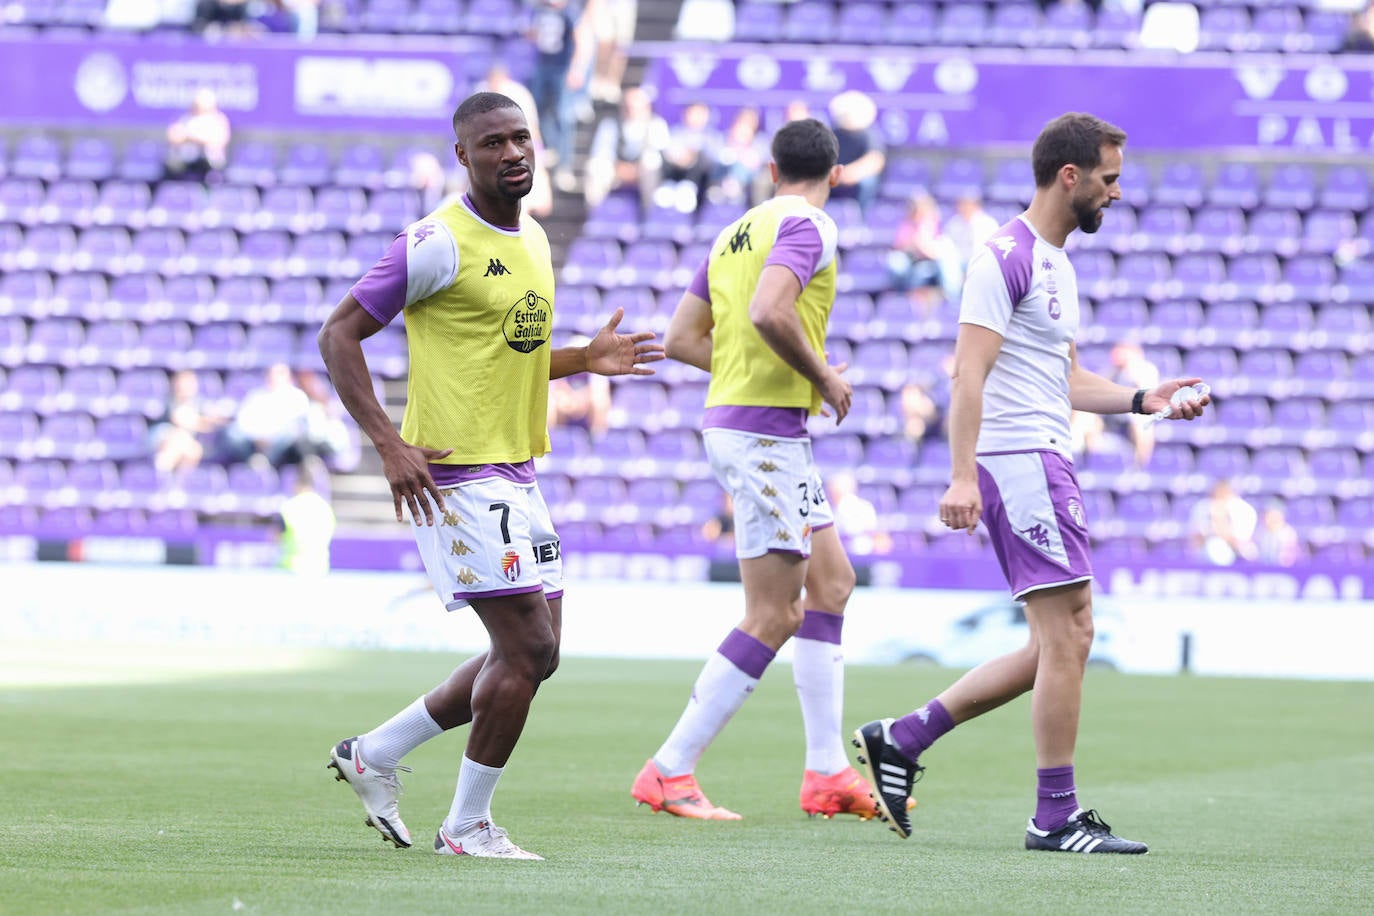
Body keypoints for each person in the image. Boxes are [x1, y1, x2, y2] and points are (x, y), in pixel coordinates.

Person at [318, 91, 664, 860]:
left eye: (521, 139)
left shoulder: (533, 237)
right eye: (493, 143)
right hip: (457, 476)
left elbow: (509, 351)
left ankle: (373, 752)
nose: (512, 153)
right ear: (463, 157)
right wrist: (386, 441)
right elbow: (338, 333)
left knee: (539, 654)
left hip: (517, 469)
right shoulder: (437, 240)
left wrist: (582, 359)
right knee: (526, 650)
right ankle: (467, 827)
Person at [854, 112, 1211, 855]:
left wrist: (1146, 399)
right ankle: (1053, 816)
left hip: (1043, 456)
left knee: (1058, 642)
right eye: (1109, 179)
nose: (1117, 194)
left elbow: (1067, 376)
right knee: (1071, 633)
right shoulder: (1004, 257)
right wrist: (960, 477)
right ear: (1071, 176)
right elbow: (968, 372)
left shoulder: (1058, 264)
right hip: (1017, 461)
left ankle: (902, 738)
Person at [633, 117, 903, 822]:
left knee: (832, 584)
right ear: (835, 175)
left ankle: (826, 773)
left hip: (754, 425)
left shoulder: (733, 234)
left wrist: (774, 372)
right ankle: (670, 769)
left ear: (772, 169)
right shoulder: (811, 226)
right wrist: (823, 377)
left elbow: (681, 340)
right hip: (762, 436)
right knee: (775, 612)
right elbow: (769, 310)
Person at [584, 85, 670, 208]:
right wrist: (620, 168)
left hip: (644, 172)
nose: (632, 111)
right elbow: (601, 152)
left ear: (647, 108)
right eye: (628, 107)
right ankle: (596, 213)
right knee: (595, 166)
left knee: (651, 162)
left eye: (637, 108)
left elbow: (660, 155)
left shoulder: (656, 124)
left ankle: (650, 213)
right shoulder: (611, 124)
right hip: (616, 169)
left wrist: (635, 170)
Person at [220, 362, 310, 468]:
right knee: (232, 433)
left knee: (291, 431)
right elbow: (243, 420)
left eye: (280, 374)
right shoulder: (257, 395)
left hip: (280, 440)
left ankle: (266, 461)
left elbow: (297, 424)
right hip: (255, 438)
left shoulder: (296, 396)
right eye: (272, 373)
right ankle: (254, 460)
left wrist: (269, 437)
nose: (275, 377)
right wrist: (258, 436)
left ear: (288, 376)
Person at [150, 369, 227, 475]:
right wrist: (202, 423)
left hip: (186, 444)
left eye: (190, 383)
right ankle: (160, 476)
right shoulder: (168, 402)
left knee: (193, 450)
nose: (185, 386)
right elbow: (180, 420)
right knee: (179, 439)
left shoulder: (199, 403)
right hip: (162, 439)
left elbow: (216, 419)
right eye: (182, 382)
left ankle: (173, 482)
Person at [827, 90, 885, 217]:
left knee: (867, 183)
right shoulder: (832, 134)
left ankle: (861, 221)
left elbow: (875, 160)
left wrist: (849, 174)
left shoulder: (869, 135)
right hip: (832, 178)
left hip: (854, 181)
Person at [275, 459, 336, 575]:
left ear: (297, 484)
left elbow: (275, 537)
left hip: (290, 569)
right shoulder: (325, 508)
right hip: (319, 570)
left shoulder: (288, 507)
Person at [1107, 341, 1161, 466]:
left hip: (1136, 412)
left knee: (1140, 422)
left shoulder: (1145, 369)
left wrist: (1130, 371)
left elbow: (1146, 395)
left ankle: (1141, 464)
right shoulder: (1113, 370)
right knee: (1086, 415)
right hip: (1112, 414)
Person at [164, 88, 231, 183]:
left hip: (209, 163)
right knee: (171, 165)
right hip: (186, 160)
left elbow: (218, 140)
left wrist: (190, 137)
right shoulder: (186, 118)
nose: (198, 106)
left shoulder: (218, 120)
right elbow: (173, 136)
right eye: (196, 104)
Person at [1188, 478, 1258, 566]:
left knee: (1216, 546)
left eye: (1223, 493)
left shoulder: (1244, 510)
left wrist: (1219, 521)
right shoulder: (1202, 507)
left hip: (1238, 556)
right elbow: (1195, 539)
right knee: (1212, 545)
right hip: (1205, 554)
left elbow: (1239, 542)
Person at [829, 470, 892, 557]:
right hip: (838, 557)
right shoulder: (829, 512)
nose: (834, 494)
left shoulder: (865, 508)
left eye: (838, 491)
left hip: (863, 557)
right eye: (833, 491)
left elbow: (880, 538)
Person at [1255, 500, 1300, 567]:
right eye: (1266, 515)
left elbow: (1287, 560)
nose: (1267, 519)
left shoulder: (1288, 534)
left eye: (1270, 515)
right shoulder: (1261, 532)